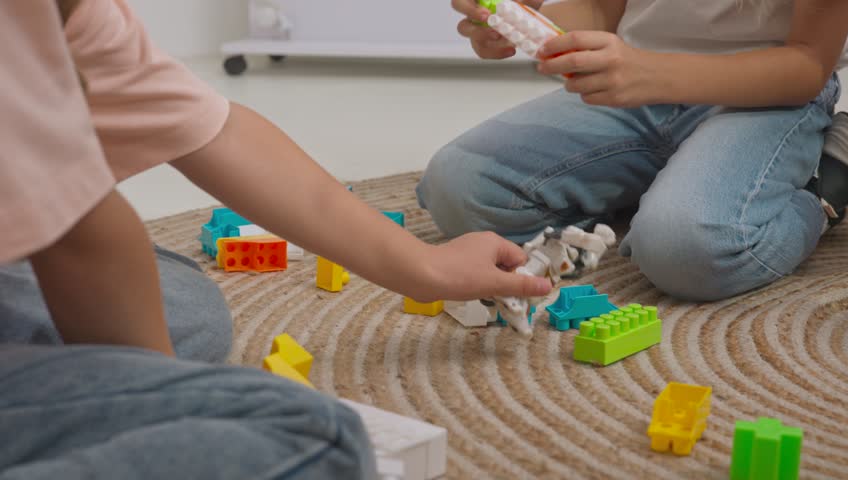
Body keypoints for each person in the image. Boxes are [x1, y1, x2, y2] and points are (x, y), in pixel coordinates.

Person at [0, 1, 552, 478]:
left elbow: (213, 131)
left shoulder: (72, 16)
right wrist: (168, 405)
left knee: (183, 306)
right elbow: (80, 234)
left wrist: (425, 268)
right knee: (311, 436)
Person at [418, 0, 848, 301]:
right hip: (639, 83)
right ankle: (667, 187)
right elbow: (600, 12)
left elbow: (808, 63)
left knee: (686, 252)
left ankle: (824, 186)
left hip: (764, 97)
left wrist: (653, 74)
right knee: (459, 186)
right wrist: (517, 22)